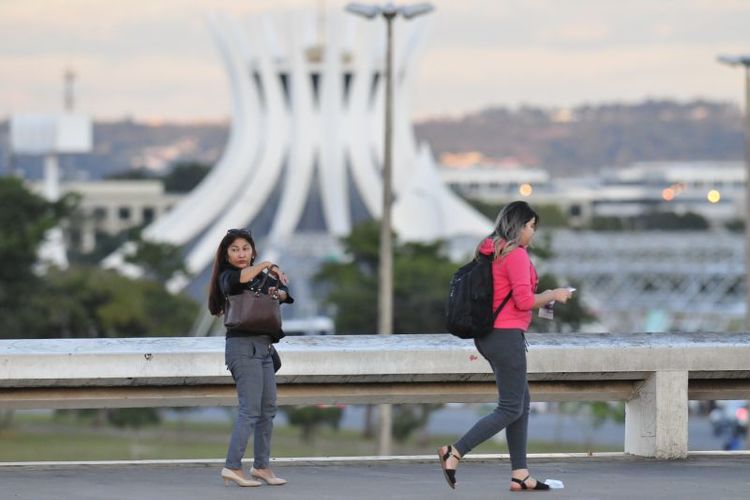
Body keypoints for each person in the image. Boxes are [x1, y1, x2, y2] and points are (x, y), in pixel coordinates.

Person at [437, 201, 573, 492]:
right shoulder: (516, 256)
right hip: (506, 337)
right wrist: (554, 294)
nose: (532, 233)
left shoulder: (490, 250)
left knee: (520, 404)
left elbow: (511, 297)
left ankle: (520, 474)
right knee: (511, 407)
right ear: (520, 226)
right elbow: (524, 302)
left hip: (489, 337)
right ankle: (455, 451)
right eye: (531, 227)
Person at [207, 228, 294, 487]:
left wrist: (279, 289)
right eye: (235, 249)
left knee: (268, 409)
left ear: (252, 251)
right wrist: (267, 264)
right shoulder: (228, 276)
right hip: (242, 348)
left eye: (246, 248)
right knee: (249, 410)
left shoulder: (261, 278)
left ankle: (262, 466)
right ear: (226, 254)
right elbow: (241, 279)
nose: (241, 254)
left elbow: (285, 296)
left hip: (265, 347)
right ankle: (233, 466)